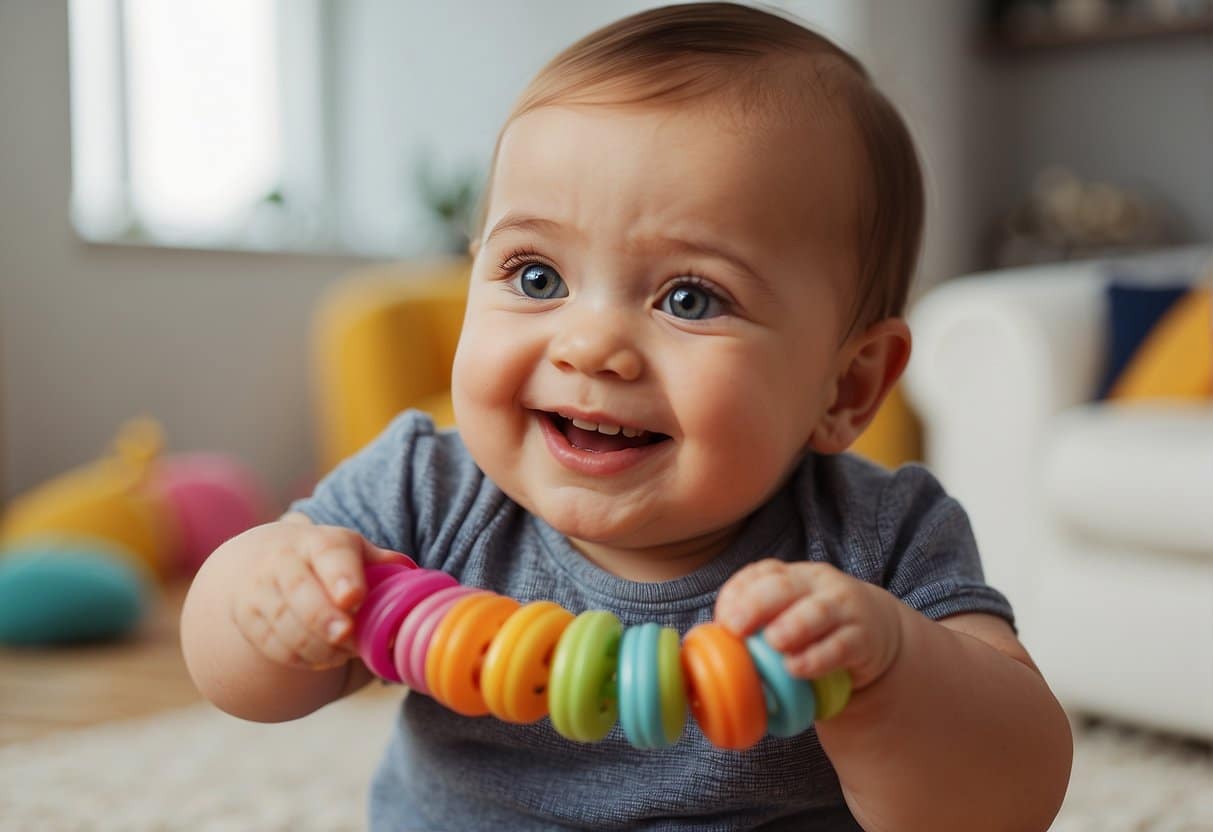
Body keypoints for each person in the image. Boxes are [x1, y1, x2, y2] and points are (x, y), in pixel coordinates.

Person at [180, 4, 1073, 829]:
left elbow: (1007, 799)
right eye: (537, 277)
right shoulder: (426, 489)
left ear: (845, 387)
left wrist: (891, 672)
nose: (590, 345)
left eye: (690, 297)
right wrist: (272, 593)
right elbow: (245, 683)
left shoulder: (878, 540)